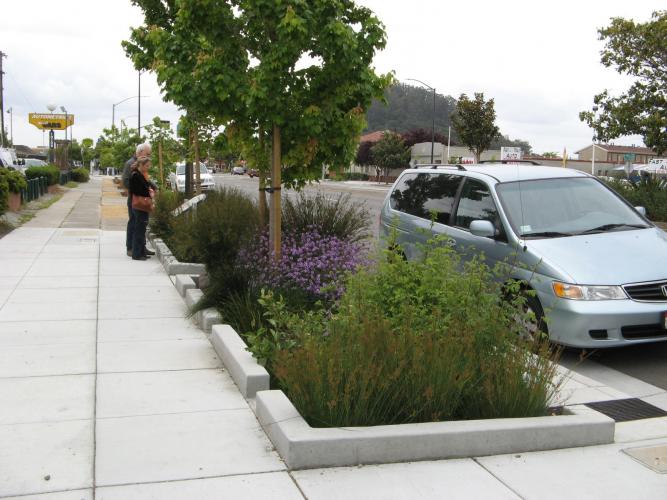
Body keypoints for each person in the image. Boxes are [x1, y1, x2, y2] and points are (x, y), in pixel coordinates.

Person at [123, 143, 155, 257]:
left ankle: (141, 248)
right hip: (135, 201)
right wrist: (142, 190)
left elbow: (146, 180)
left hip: (143, 201)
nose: (149, 156)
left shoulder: (143, 164)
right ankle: (130, 248)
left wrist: (152, 187)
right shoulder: (130, 164)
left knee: (141, 226)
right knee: (133, 223)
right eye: (148, 154)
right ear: (140, 152)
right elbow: (126, 182)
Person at [129, 157, 155, 261]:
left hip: (141, 206)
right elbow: (136, 190)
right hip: (140, 206)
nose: (148, 168)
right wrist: (149, 192)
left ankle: (141, 252)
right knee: (139, 230)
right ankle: (136, 254)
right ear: (141, 165)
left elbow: (145, 186)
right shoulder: (136, 175)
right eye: (147, 165)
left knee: (141, 229)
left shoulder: (140, 175)